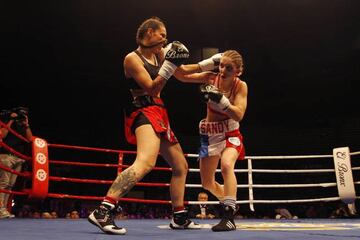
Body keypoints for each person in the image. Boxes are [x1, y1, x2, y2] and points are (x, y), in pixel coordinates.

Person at [88, 17, 203, 235]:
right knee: (145, 162)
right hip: (142, 110)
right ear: (149, 32)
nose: (165, 39)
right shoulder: (132, 59)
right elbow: (151, 88)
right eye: (162, 34)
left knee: (180, 166)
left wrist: (211, 67)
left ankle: (179, 216)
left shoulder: (159, 54)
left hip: (159, 112)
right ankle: (103, 210)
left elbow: (184, 72)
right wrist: (169, 64)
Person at [175, 50, 247, 231]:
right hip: (209, 135)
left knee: (226, 165)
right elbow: (181, 76)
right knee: (207, 183)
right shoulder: (210, 77)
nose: (223, 70)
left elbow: (238, 115)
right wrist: (206, 63)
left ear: (238, 71)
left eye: (228, 68)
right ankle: (229, 201)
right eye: (221, 65)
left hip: (230, 133)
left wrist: (221, 100)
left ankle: (228, 216)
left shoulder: (240, 86)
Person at [0, 107, 33, 218]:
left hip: (18, 158)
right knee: (3, 183)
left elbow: (30, 139)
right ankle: (0, 209)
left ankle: (3, 210)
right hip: (6, 156)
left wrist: (26, 124)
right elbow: (2, 135)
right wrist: (11, 119)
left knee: (10, 185)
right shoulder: (7, 121)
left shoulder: (23, 126)